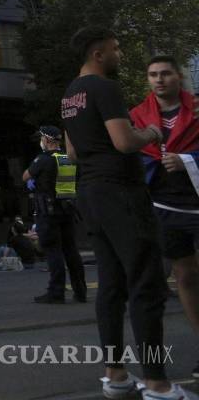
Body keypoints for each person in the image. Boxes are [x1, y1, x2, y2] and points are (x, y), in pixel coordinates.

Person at [61, 27, 189, 400]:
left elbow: (71, 153)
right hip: (121, 193)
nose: (120, 54)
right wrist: (149, 132)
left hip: (91, 193)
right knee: (146, 284)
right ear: (98, 53)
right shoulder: (104, 88)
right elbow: (122, 141)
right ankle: (157, 384)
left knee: (111, 285)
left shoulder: (70, 94)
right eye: (115, 49)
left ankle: (115, 375)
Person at [132, 55, 199, 379]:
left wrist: (186, 160)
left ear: (178, 77)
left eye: (165, 73)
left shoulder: (197, 109)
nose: (159, 80)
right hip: (165, 207)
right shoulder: (138, 116)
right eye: (153, 74)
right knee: (185, 277)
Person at [22, 125, 86, 302]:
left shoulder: (43, 159)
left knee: (53, 251)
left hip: (48, 212)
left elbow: (25, 176)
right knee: (71, 251)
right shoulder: (67, 158)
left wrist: (34, 179)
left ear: (48, 140)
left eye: (41, 139)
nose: (40, 142)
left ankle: (56, 292)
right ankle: (80, 291)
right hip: (67, 210)